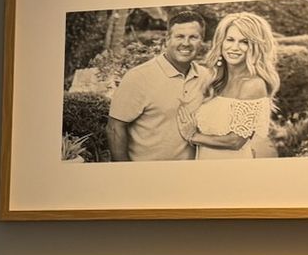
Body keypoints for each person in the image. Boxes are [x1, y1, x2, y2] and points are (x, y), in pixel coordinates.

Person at [105, 11, 205, 162]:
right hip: (146, 175)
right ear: (167, 40)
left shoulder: (206, 77)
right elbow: (115, 128)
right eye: (179, 36)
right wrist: (124, 172)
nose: (186, 43)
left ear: (201, 41)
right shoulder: (138, 77)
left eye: (193, 37)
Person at [184, 12, 280, 160]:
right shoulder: (214, 78)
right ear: (221, 42)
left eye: (244, 42)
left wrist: (193, 136)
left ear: (255, 47)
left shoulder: (253, 85)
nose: (234, 47)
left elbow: (235, 141)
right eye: (230, 39)